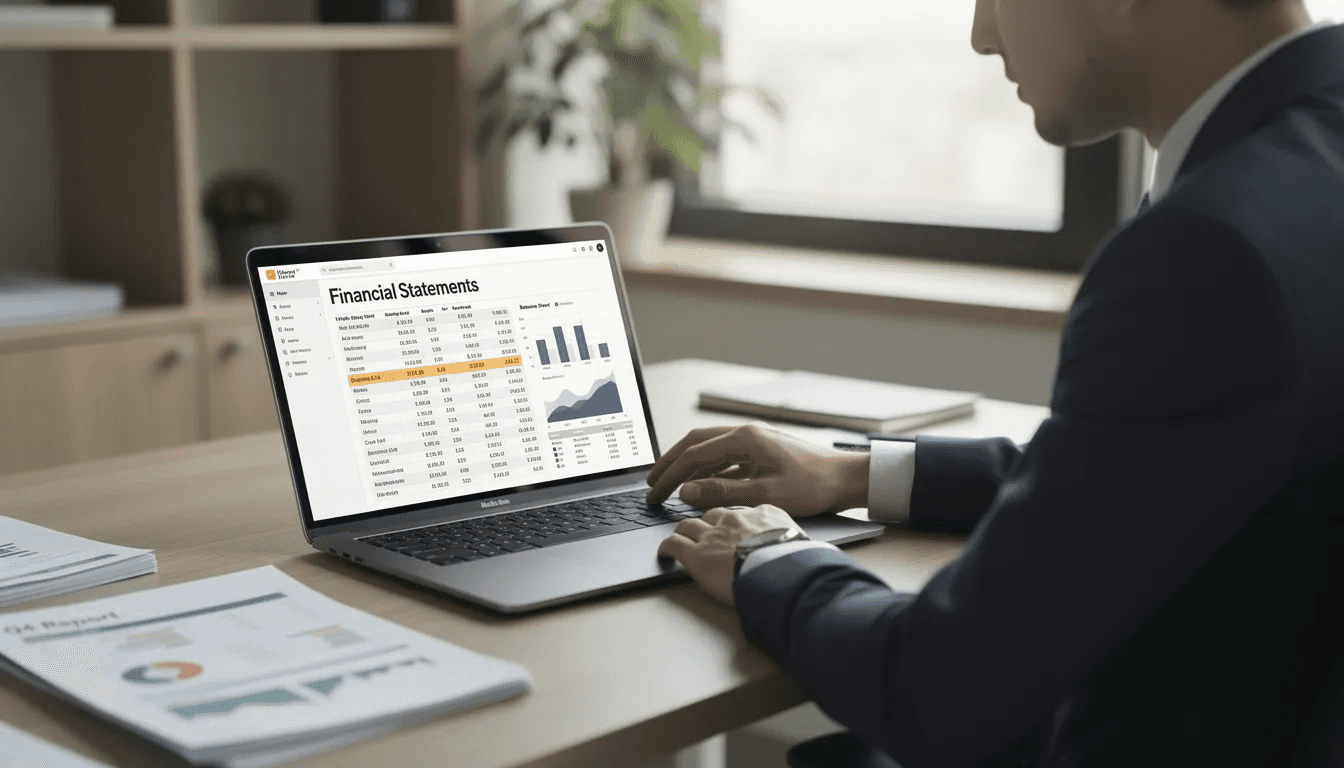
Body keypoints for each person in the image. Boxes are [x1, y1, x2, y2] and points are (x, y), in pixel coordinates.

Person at [647, 0, 1344, 765]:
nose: (982, 35)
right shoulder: (1304, 168)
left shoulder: (1209, 249)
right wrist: (854, 472)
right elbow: (1136, 477)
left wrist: (769, 557)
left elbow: (934, 688)